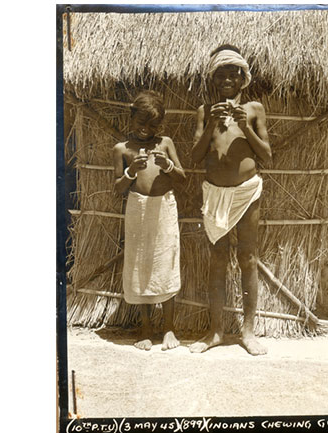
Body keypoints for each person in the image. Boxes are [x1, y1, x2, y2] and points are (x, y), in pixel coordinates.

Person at [190, 45, 272, 356]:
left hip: (246, 192)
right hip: (214, 192)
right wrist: (211, 123)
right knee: (217, 259)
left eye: (233, 74)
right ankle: (215, 332)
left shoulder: (254, 109)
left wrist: (246, 126)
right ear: (213, 80)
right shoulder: (204, 112)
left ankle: (248, 333)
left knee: (248, 257)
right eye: (220, 75)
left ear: (243, 79)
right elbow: (196, 157)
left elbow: (266, 155)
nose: (227, 79)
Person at [113, 90, 186, 351]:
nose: (146, 130)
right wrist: (131, 171)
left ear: (161, 125)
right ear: (131, 119)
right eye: (141, 124)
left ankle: (168, 328)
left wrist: (167, 166)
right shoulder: (122, 149)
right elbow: (119, 188)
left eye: (153, 125)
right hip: (138, 209)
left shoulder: (165, 143)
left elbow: (182, 178)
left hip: (164, 208)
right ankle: (145, 328)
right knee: (140, 264)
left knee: (165, 263)